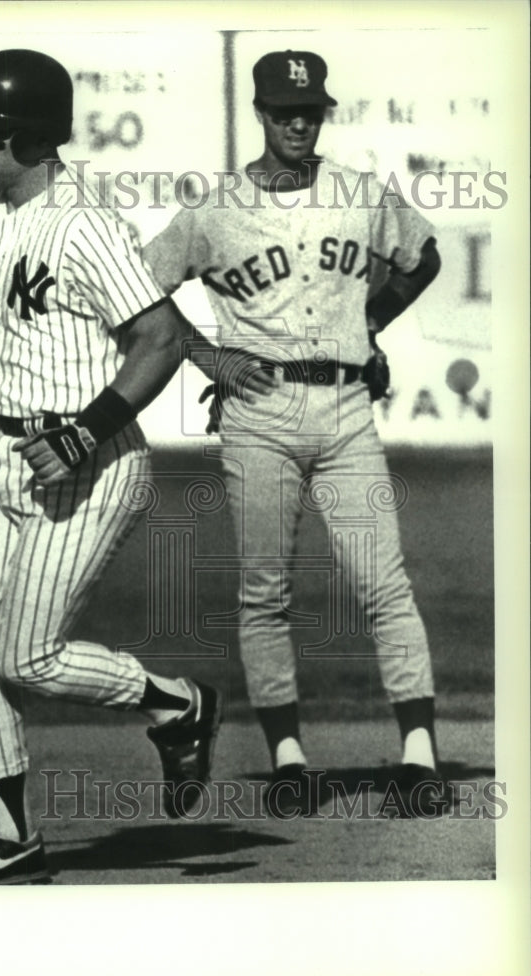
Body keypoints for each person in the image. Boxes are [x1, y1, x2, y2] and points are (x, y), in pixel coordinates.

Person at [0, 49, 225, 885]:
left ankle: (177, 706)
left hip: (90, 462)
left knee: (24, 657)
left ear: (39, 135)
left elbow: (163, 340)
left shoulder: (83, 223)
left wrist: (83, 432)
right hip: (3, 450)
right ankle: (13, 841)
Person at [144, 50, 444, 814]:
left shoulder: (359, 194)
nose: (298, 123)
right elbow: (137, 294)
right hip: (259, 416)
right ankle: (286, 760)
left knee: (383, 582)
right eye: (284, 111)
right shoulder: (214, 211)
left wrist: (370, 320)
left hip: (347, 409)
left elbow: (424, 256)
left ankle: (418, 755)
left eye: (309, 111)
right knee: (264, 592)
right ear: (260, 113)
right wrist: (207, 354)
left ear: (322, 113)